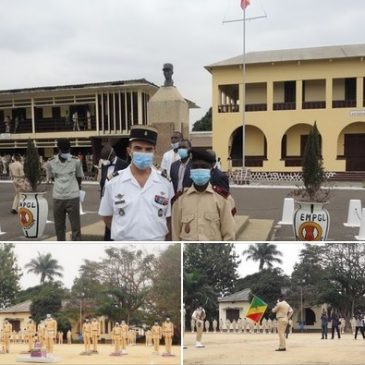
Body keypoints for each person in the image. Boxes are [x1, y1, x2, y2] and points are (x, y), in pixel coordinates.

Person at [99, 125, 174, 241]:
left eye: (148, 149)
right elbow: (106, 216)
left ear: (154, 152)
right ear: (130, 151)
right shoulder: (113, 182)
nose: (143, 153)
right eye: (138, 148)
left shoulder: (165, 182)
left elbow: (168, 219)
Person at [172, 148, 236, 241]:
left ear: (210, 169)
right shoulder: (180, 199)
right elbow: (175, 235)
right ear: (191, 170)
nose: (199, 170)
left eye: (203, 167)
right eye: (195, 167)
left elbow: (229, 234)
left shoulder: (222, 199)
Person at [47, 138, 84, 241]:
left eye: (66, 150)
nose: (65, 152)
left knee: (76, 228)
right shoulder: (51, 162)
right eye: (63, 150)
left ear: (70, 149)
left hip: (72, 197)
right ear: (58, 149)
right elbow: (52, 177)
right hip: (58, 197)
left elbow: (79, 177)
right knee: (59, 228)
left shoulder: (76, 161)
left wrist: (75, 188)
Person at [99, 144, 128, 240]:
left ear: (111, 155)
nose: (103, 161)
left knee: (119, 225)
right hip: (107, 200)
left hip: (120, 200)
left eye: (105, 158)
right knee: (108, 226)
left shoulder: (124, 165)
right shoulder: (105, 165)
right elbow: (102, 182)